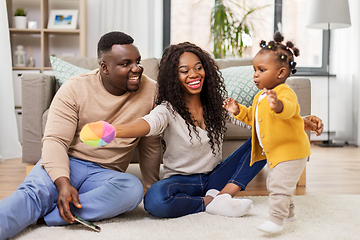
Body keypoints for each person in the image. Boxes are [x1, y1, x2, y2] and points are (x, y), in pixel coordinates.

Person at [81, 42, 323, 220]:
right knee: (155, 200)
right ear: (174, 77)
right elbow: (146, 125)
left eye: (198, 68)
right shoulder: (167, 109)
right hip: (181, 181)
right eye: (184, 70)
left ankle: (226, 194)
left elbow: (260, 121)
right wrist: (112, 131)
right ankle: (211, 202)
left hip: (216, 177)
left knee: (260, 139)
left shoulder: (217, 103)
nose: (193, 74)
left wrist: (301, 121)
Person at [0, 31, 162, 240]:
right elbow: (55, 141)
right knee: (31, 196)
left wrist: (150, 187)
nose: (136, 69)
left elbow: (150, 142)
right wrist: (62, 182)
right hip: (69, 162)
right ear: (104, 67)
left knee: (132, 189)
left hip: (106, 173)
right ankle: (42, 205)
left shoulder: (151, 91)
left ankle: (49, 216)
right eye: (126, 63)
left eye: (138, 61)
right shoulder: (75, 88)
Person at [223, 32, 310, 234]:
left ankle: (276, 220)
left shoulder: (284, 93)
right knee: (274, 183)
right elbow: (253, 117)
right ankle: (289, 215)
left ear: (280, 73)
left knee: (279, 185)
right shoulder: (261, 96)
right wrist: (238, 111)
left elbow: (289, 109)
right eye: (254, 69)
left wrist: (277, 105)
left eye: (261, 70)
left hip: (292, 152)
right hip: (276, 153)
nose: (255, 74)